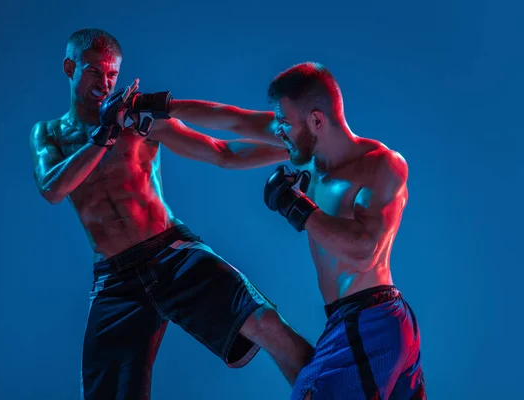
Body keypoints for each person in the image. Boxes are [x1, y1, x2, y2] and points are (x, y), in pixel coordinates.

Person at [29, 28, 315, 400]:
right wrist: (104, 133)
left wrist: (299, 150)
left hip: (170, 251)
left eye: (112, 74)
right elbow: (53, 188)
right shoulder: (50, 134)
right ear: (70, 67)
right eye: (93, 72)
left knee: (268, 324)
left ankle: (336, 391)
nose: (104, 83)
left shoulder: (139, 120)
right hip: (115, 280)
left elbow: (222, 153)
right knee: (106, 394)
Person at [168, 62, 426, 399]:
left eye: (285, 123)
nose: (277, 131)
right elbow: (231, 128)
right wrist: (160, 112)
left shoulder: (381, 165)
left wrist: (297, 206)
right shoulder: (304, 152)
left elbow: (365, 252)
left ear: (317, 121)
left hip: (372, 321)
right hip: (350, 322)